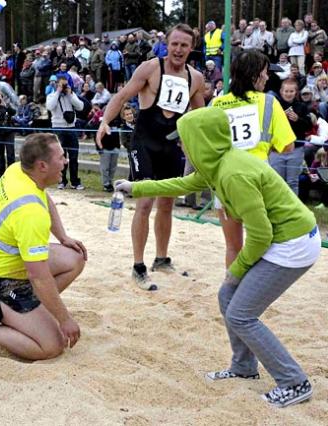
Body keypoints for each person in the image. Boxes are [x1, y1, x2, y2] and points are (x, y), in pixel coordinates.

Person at [115, 106, 319, 408]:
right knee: (228, 298)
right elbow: (181, 184)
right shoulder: (218, 163)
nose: (180, 146)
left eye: (184, 140)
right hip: (282, 239)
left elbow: (260, 234)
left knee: (241, 313)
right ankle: (244, 367)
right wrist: (136, 187)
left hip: (293, 244)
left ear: (203, 141)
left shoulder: (233, 172)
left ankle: (294, 381)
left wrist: (236, 270)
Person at [0, 133, 87, 360]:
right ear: (42, 166)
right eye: (61, 157)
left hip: (2, 265)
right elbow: (39, 277)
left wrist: (62, 236)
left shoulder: (19, 170)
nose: (66, 161)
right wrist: (65, 319)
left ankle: (32, 315)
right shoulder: (30, 213)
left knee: (75, 257)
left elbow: (44, 196)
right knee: (52, 346)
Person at [96, 23, 206, 290]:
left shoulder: (196, 78)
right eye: (175, 44)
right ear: (167, 44)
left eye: (184, 45)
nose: (179, 50)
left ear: (191, 48)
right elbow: (122, 96)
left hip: (171, 146)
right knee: (145, 203)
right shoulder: (150, 68)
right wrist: (105, 121)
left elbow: (200, 117)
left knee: (167, 204)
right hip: (144, 143)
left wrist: (199, 147)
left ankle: (162, 258)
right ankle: (138, 265)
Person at [210, 50, 295, 268]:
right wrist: (265, 148)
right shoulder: (268, 102)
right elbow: (288, 146)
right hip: (257, 179)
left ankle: (231, 295)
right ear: (255, 74)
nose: (268, 77)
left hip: (225, 181)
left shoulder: (218, 103)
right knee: (263, 243)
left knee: (232, 247)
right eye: (265, 73)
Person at [270, 80, 312, 195]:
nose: (288, 94)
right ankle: (277, 208)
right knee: (277, 181)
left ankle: (293, 210)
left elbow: (309, 126)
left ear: (296, 92)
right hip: (277, 149)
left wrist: (298, 119)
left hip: (296, 149)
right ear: (281, 91)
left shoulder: (302, 107)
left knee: (293, 182)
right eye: (286, 91)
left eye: (291, 91)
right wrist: (280, 118)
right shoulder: (274, 105)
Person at [46, 75, 85, 190]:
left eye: (65, 84)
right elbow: (50, 106)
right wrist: (58, 92)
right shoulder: (52, 95)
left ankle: (75, 181)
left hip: (71, 128)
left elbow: (80, 107)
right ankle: (61, 180)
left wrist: (70, 94)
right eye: (62, 84)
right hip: (58, 128)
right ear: (57, 84)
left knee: (74, 156)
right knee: (60, 156)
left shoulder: (70, 95)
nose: (64, 86)